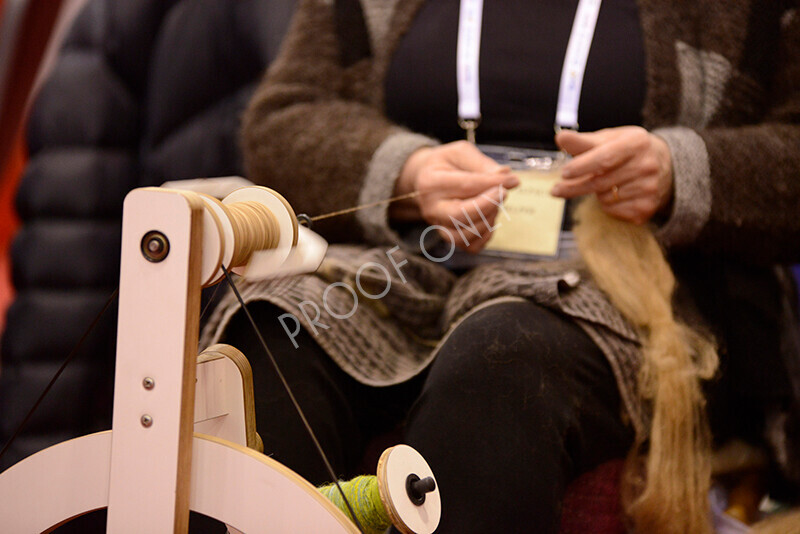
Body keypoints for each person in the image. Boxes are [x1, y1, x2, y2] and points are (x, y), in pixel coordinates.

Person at [200, 1, 800, 532]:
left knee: (500, 360)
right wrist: (408, 172)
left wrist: (681, 170)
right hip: (408, 264)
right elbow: (282, 118)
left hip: (631, 283)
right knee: (271, 337)